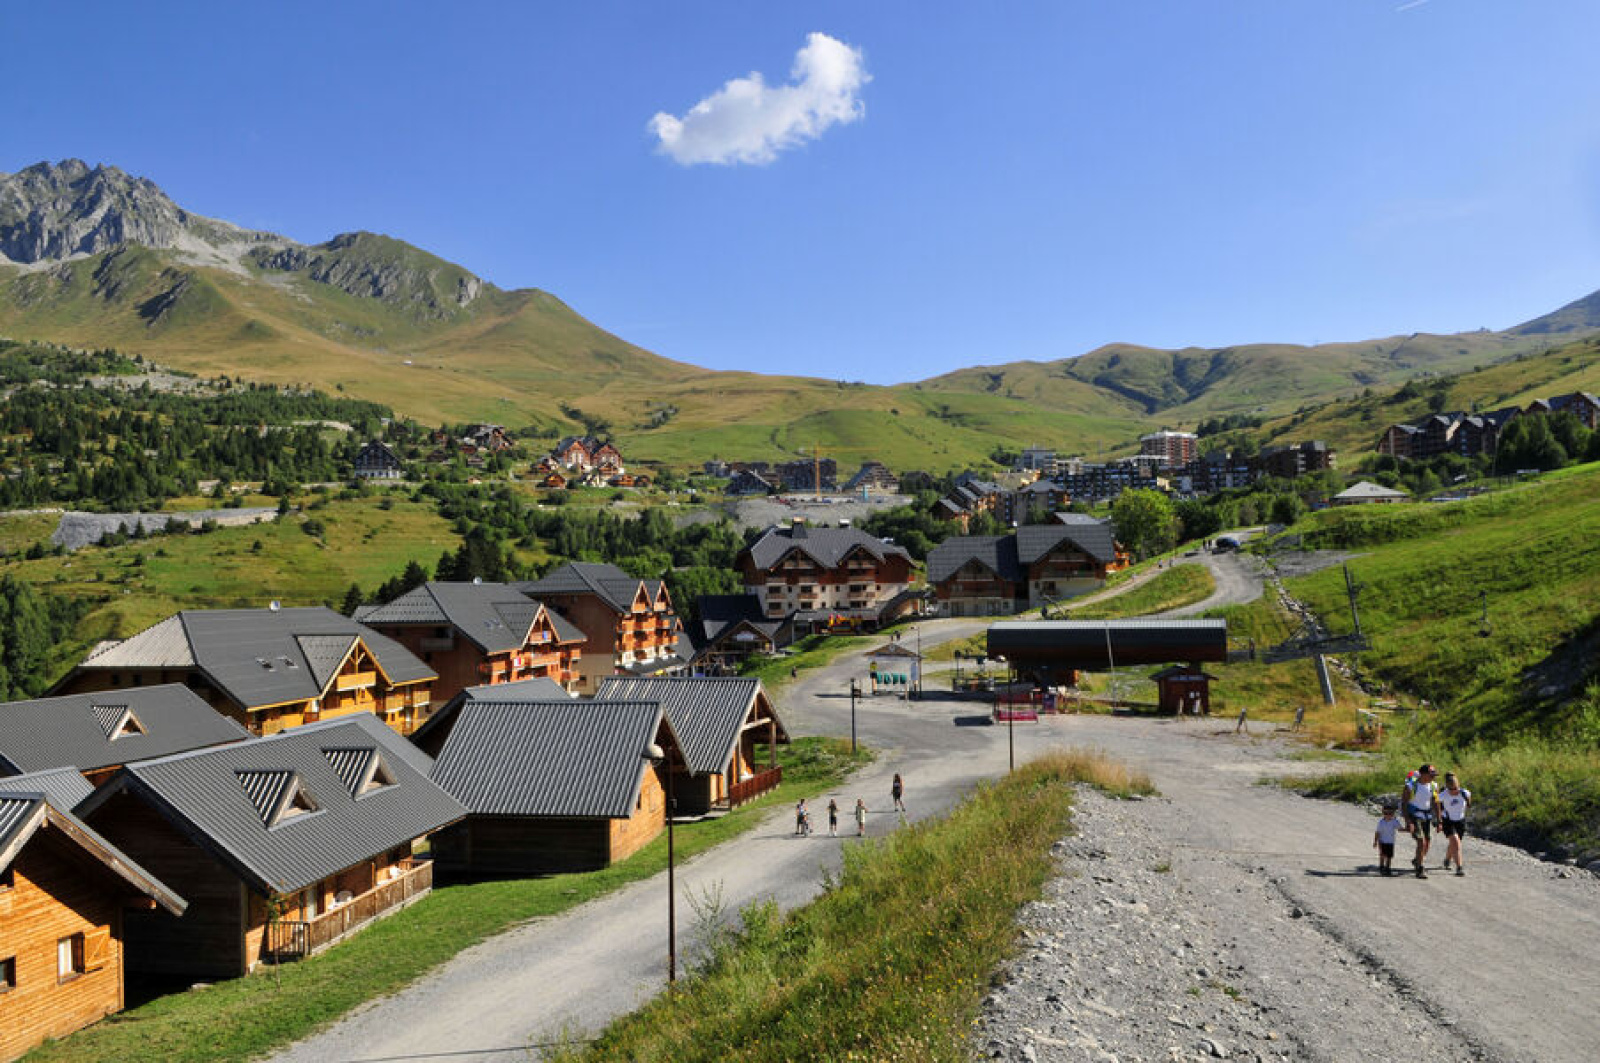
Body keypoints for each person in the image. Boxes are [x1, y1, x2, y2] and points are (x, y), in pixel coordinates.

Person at [1399, 763, 1440, 878]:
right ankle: (1420, 869)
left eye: (1434, 775)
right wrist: (1408, 821)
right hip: (1414, 816)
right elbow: (1404, 804)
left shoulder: (1434, 786)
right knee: (1421, 841)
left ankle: (1417, 860)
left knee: (1427, 842)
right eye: (1431, 774)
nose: (1433, 777)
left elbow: (1436, 803)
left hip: (1427, 816)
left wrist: (1439, 820)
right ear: (1423, 774)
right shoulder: (1411, 786)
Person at [1438, 772, 1472, 875]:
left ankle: (1447, 859)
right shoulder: (1443, 795)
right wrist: (1439, 820)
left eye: (1456, 788)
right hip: (1448, 820)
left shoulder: (1465, 793)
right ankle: (1459, 867)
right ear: (1447, 788)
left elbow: (1469, 804)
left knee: (1454, 843)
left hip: (1460, 821)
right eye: (1451, 789)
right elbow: (1435, 804)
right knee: (1456, 842)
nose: (1454, 791)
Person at [1373, 803, 1402, 876]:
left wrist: (1409, 829)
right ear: (1383, 813)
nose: (1388, 815)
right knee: (1382, 854)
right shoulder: (1381, 822)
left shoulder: (1394, 821)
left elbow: (1400, 828)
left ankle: (1388, 868)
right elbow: (1377, 832)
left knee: (1389, 856)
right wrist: (1375, 841)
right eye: (1386, 813)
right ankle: (1381, 866)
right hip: (1382, 841)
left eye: (1390, 813)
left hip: (1390, 842)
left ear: (1393, 814)